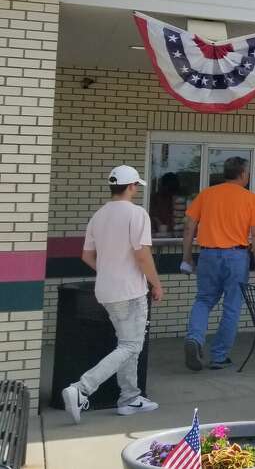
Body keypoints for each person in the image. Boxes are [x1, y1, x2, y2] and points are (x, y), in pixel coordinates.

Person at [61, 165, 163, 424]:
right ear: (131, 187)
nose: (137, 189)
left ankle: (130, 398)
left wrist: (108, 270)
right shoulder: (137, 214)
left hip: (106, 290)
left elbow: (86, 255)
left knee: (127, 345)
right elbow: (142, 255)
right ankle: (81, 388)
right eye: (136, 186)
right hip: (130, 291)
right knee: (131, 345)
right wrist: (156, 283)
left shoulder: (98, 216)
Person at [180, 156, 255, 371]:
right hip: (237, 257)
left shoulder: (207, 194)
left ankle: (195, 338)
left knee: (203, 300)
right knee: (232, 307)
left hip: (208, 255)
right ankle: (218, 356)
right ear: (243, 174)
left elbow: (189, 226)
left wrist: (187, 257)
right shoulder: (250, 199)